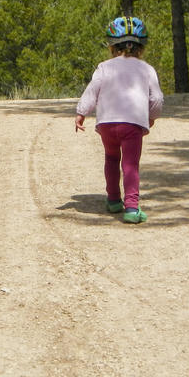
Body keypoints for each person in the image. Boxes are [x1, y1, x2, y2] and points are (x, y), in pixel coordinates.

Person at [75, 16, 164, 224]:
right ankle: (132, 207)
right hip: (132, 123)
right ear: (140, 47)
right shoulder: (147, 69)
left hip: (106, 123)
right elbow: (157, 98)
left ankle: (114, 200)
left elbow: (92, 91)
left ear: (112, 46)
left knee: (112, 158)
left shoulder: (104, 67)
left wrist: (81, 112)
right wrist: (152, 116)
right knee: (130, 164)